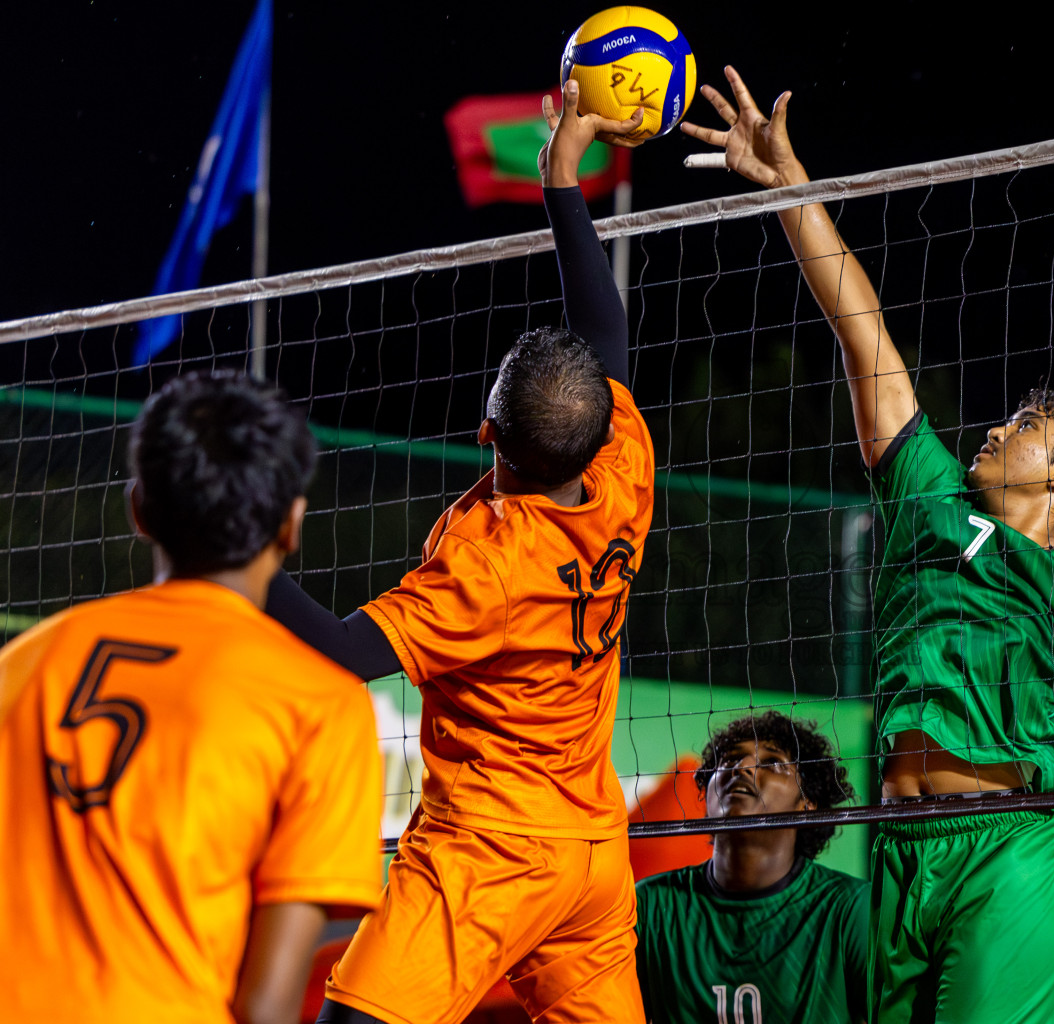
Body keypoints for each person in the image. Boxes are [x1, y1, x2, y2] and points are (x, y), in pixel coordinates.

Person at [682, 68, 1054, 1024]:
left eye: (1027, 424)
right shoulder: (928, 493)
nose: (998, 428)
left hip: (1011, 844)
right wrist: (790, 187)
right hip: (897, 844)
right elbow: (857, 325)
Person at [263, 80, 655, 1024]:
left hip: (490, 852)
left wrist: (243, 560)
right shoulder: (625, 468)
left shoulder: (489, 565)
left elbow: (346, 655)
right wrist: (565, 177)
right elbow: (604, 329)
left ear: (487, 433)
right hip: (592, 853)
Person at [0, 370, 384, 1024]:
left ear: (138, 508)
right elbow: (265, 1006)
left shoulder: (23, 664)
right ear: (291, 525)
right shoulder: (319, 704)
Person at [635, 711, 869, 1024]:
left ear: (808, 803)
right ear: (705, 795)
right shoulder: (651, 905)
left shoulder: (850, 910)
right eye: (729, 760)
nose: (742, 768)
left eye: (772, 763)